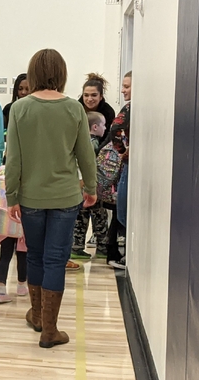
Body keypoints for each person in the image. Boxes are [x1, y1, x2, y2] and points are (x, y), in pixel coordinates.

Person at [5, 48, 97, 348]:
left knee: (34, 255)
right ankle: (49, 330)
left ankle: (37, 316)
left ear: (32, 74)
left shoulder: (20, 109)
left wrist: (12, 195)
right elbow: (86, 155)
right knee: (56, 259)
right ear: (62, 74)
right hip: (65, 197)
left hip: (30, 198)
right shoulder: (74, 109)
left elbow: (14, 158)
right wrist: (92, 189)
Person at [71, 111, 109, 259]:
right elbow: (90, 165)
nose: (105, 129)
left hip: (79, 184)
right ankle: (103, 247)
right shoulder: (93, 143)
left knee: (81, 217)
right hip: (88, 185)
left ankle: (77, 246)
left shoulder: (80, 140)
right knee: (100, 215)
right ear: (95, 127)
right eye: (103, 125)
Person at [0, 165, 28, 304]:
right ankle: (21, 285)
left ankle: (1, 289)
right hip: (20, 220)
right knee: (22, 255)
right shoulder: (25, 170)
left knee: (4, 257)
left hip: (3, 222)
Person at [107, 71, 132, 270]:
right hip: (129, 165)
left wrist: (122, 150)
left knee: (123, 211)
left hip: (129, 166)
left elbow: (115, 129)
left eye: (127, 86)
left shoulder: (130, 108)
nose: (123, 90)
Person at [78, 73, 115, 143]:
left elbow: (107, 137)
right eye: (86, 95)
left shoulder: (108, 112)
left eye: (94, 95)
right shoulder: (76, 109)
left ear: (101, 96)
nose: (89, 99)